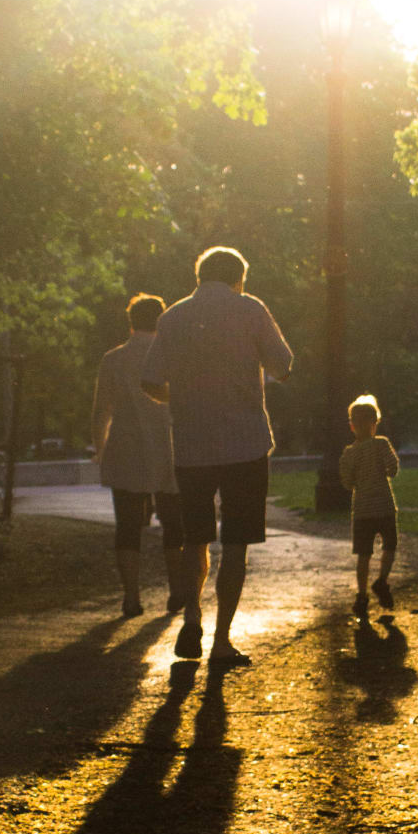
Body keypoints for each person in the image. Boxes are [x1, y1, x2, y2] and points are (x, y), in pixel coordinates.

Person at [141, 246, 292, 666]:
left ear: (199, 276)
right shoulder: (251, 309)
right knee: (237, 543)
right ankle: (223, 640)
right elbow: (283, 365)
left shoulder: (172, 318)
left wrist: (183, 398)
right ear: (238, 278)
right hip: (245, 444)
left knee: (195, 538)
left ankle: (192, 617)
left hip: (191, 446)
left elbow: (150, 381)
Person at [91, 292, 185, 619]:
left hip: (126, 449)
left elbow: (101, 409)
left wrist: (100, 448)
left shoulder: (113, 359)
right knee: (175, 524)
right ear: (162, 321)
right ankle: (177, 591)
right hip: (169, 449)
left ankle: (131, 597)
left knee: (128, 528)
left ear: (131, 322)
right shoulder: (175, 356)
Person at [339, 394, 399, 619]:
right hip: (384, 506)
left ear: (352, 426)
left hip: (363, 510)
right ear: (375, 424)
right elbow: (393, 469)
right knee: (389, 546)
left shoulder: (349, 453)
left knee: (363, 554)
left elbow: (347, 482)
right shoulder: (381, 444)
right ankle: (382, 580)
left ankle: (362, 596)